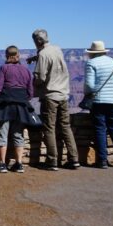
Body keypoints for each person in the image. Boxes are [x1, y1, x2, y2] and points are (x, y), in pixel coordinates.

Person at [28, 29, 79, 171]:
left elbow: (41, 78)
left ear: (37, 41)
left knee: (49, 128)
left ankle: (52, 161)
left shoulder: (43, 54)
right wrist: (35, 58)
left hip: (50, 96)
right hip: (64, 94)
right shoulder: (57, 49)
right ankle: (74, 159)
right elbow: (49, 58)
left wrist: (32, 84)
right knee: (65, 126)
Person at [0, 46, 34, 173]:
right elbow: (30, 92)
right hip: (21, 105)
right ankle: (19, 164)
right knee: (18, 134)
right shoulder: (25, 70)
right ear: (18, 55)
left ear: (6, 55)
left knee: (2, 133)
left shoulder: (4, 68)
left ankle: (2, 164)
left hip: (5, 105)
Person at [84, 40, 113, 169]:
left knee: (100, 129)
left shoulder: (91, 63)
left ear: (92, 53)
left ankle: (102, 161)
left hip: (98, 101)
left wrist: (88, 94)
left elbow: (89, 85)